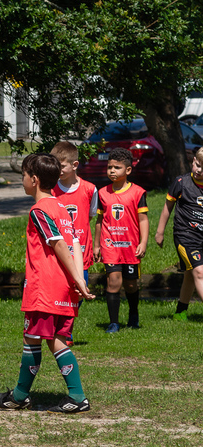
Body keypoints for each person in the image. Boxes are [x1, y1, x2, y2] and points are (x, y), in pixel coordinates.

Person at [0, 153, 93, 413]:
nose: (22, 180)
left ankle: (21, 396)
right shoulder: (60, 206)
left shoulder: (39, 210)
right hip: (66, 287)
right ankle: (75, 396)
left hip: (44, 287)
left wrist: (79, 279)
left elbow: (58, 243)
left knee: (32, 338)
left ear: (34, 180)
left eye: (23, 176)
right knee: (57, 339)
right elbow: (76, 244)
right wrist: (78, 279)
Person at [93, 147, 148, 333]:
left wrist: (143, 242)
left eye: (117, 167)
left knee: (131, 284)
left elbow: (143, 220)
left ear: (128, 170)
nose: (112, 171)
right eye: (109, 167)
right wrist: (96, 245)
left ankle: (133, 315)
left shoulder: (138, 193)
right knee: (113, 282)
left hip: (130, 247)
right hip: (110, 247)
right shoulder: (102, 193)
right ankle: (114, 323)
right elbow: (99, 221)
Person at [156, 146, 203, 320]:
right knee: (199, 273)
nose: (198, 170)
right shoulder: (181, 183)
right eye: (196, 164)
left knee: (191, 275)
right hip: (186, 236)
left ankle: (181, 311)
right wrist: (160, 232)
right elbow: (167, 208)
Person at [49, 141, 98, 286]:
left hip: (81, 254)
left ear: (75, 165)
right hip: (57, 253)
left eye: (62, 166)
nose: (59, 170)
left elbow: (88, 217)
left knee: (80, 294)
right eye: (56, 166)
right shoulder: (50, 190)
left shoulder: (90, 190)